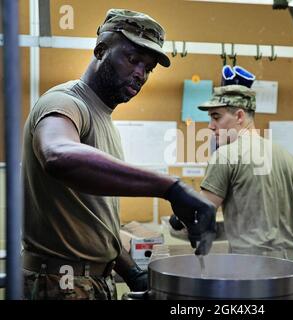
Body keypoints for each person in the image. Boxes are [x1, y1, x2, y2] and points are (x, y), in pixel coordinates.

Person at [21, 9, 215, 300]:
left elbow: (96, 222)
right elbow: (57, 154)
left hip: (92, 281)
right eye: (132, 59)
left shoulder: (103, 120)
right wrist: (170, 187)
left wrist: (131, 272)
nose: (140, 73)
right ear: (100, 50)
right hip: (61, 283)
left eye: (148, 68)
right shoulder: (65, 102)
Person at [195, 84, 293, 260]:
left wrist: (178, 218)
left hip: (251, 267)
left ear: (239, 116)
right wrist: (281, 209)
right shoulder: (287, 156)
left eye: (216, 117)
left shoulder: (225, 156)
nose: (210, 126)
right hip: (292, 265)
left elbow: (201, 214)